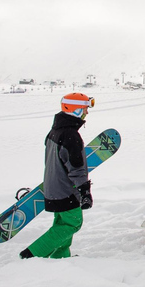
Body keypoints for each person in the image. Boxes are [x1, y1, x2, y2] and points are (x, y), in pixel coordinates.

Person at [19, 93, 95, 259]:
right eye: (84, 109)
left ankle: (60, 257)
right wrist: (85, 191)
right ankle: (31, 254)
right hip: (65, 190)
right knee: (72, 223)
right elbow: (76, 168)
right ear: (75, 110)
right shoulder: (71, 136)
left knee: (61, 223)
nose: (86, 113)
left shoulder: (55, 131)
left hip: (54, 187)